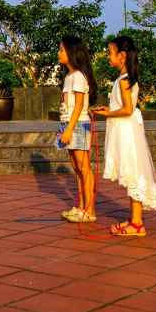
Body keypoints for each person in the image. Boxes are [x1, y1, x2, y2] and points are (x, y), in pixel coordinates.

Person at [91, 34, 156, 236]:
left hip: (126, 130)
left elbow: (128, 110)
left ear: (121, 55)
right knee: (132, 172)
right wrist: (109, 108)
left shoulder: (124, 80)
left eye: (110, 53)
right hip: (126, 128)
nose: (108, 57)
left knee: (133, 173)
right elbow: (124, 105)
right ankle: (134, 218)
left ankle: (138, 223)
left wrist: (108, 113)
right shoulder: (125, 78)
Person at [56, 36, 97, 224]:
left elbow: (80, 105)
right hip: (69, 124)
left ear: (72, 52)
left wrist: (69, 129)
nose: (59, 53)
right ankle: (82, 206)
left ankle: (90, 209)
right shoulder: (69, 76)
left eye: (62, 50)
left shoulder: (79, 76)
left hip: (78, 124)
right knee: (76, 167)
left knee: (84, 167)